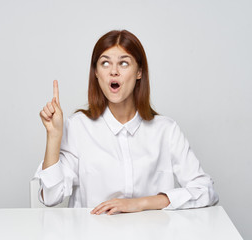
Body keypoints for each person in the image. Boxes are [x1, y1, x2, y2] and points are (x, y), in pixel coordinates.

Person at [35, 30, 219, 215]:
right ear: (97, 74)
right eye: (105, 63)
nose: (113, 71)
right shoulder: (77, 127)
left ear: (139, 72)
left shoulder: (166, 130)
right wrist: (54, 136)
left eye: (124, 63)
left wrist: (141, 203)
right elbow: (51, 198)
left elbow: (206, 191)